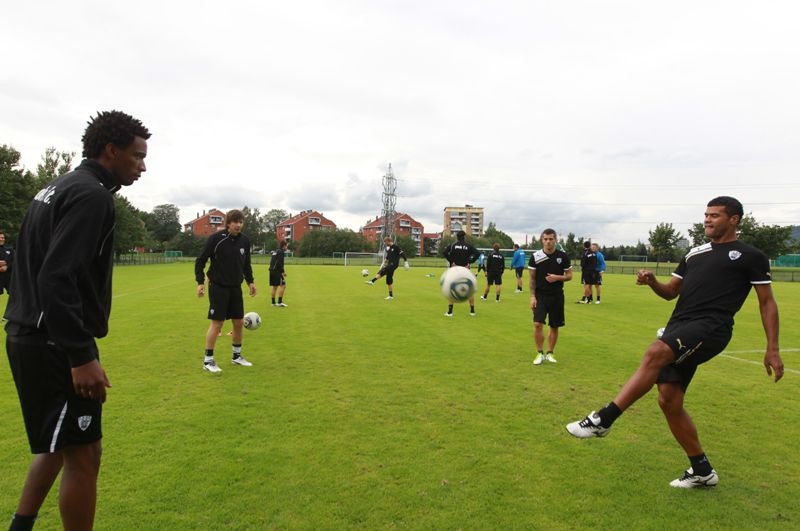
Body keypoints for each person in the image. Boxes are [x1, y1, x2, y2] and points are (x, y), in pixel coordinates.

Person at [566, 197, 784, 489]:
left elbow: (767, 303)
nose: (707, 220)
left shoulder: (750, 256)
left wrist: (772, 348)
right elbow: (671, 292)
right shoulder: (695, 253)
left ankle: (602, 420)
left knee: (656, 352)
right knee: (669, 400)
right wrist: (652, 281)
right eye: (706, 215)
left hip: (712, 327)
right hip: (680, 325)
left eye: (715, 215)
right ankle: (702, 471)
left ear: (734, 219)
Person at [4, 110, 150, 531]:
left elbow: (30, 269)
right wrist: (81, 355)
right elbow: (56, 275)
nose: (142, 166)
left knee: (58, 445)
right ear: (111, 151)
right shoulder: (92, 196)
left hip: (29, 333)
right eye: (137, 156)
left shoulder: (55, 187)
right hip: (53, 342)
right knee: (84, 454)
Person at [195, 209, 257, 373]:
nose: (238, 225)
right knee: (218, 323)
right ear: (228, 223)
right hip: (218, 286)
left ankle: (237, 357)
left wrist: (251, 282)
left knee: (238, 322)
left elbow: (246, 265)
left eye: (241, 222)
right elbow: (200, 260)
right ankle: (208, 361)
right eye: (235, 222)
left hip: (235, 287)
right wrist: (200, 282)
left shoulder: (244, 241)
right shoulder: (216, 239)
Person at [529, 229, 573, 364]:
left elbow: (570, 276)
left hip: (557, 296)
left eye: (551, 239)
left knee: (554, 326)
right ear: (542, 240)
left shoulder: (563, 256)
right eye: (545, 239)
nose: (548, 241)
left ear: (555, 240)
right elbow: (532, 279)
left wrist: (557, 278)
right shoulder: (536, 256)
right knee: (537, 324)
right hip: (540, 296)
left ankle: (550, 353)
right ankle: (539, 353)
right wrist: (532, 296)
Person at [443, 230, 480, 316]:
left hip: (454, 269)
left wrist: (452, 261)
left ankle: (450, 312)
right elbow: (477, 254)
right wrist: (469, 262)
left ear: (457, 237)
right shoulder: (468, 246)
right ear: (464, 237)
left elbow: (444, 253)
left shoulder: (453, 245)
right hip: (465, 270)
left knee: (451, 289)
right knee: (469, 289)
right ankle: (472, 311)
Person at [269, 240, 288, 307]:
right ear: (284, 246)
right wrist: (283, 272)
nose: (287, 248)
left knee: (275, 287)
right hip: (276, 271)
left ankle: (273, 303)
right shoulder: (281, 252)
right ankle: (280, 302)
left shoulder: (275, 251)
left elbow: (273, 262)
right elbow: (280, 263)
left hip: (271, 270)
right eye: (286, 246)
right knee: (283, 285)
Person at [0, 230, 14, 295]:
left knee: (14, 295)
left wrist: (7, 266)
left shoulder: (9, 250)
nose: (1, 239)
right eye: (0, 237)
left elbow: (15, 261)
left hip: (9, 277)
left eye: (3, 238)